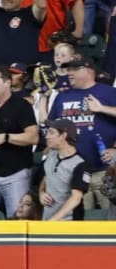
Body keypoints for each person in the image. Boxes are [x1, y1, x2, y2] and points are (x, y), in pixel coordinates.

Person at [47, 57, 116, 210]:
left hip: (105, 172)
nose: (69, 73)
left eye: (74, 69)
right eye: (68, 69)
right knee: (80, 226)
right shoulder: (62, 96)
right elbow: (51, 125)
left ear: (89, 70)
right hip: (73, 174)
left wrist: (102, 108)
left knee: (111, 224)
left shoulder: (109, 93)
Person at [0, 65, 39, 218]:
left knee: (17, 218)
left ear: (7, 82)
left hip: (16, 175)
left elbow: (33, 137)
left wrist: (6, 137)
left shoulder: (22, 106)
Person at [39, 119, 90, 220]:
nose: (47, 136)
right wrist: (41, 192)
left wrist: (52, 221)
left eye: (51, 132)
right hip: (47, 219)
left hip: (69, 223)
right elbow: (47, 176)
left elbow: (76, 198)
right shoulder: (51, 154)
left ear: (63, 136)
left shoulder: (80, 163)